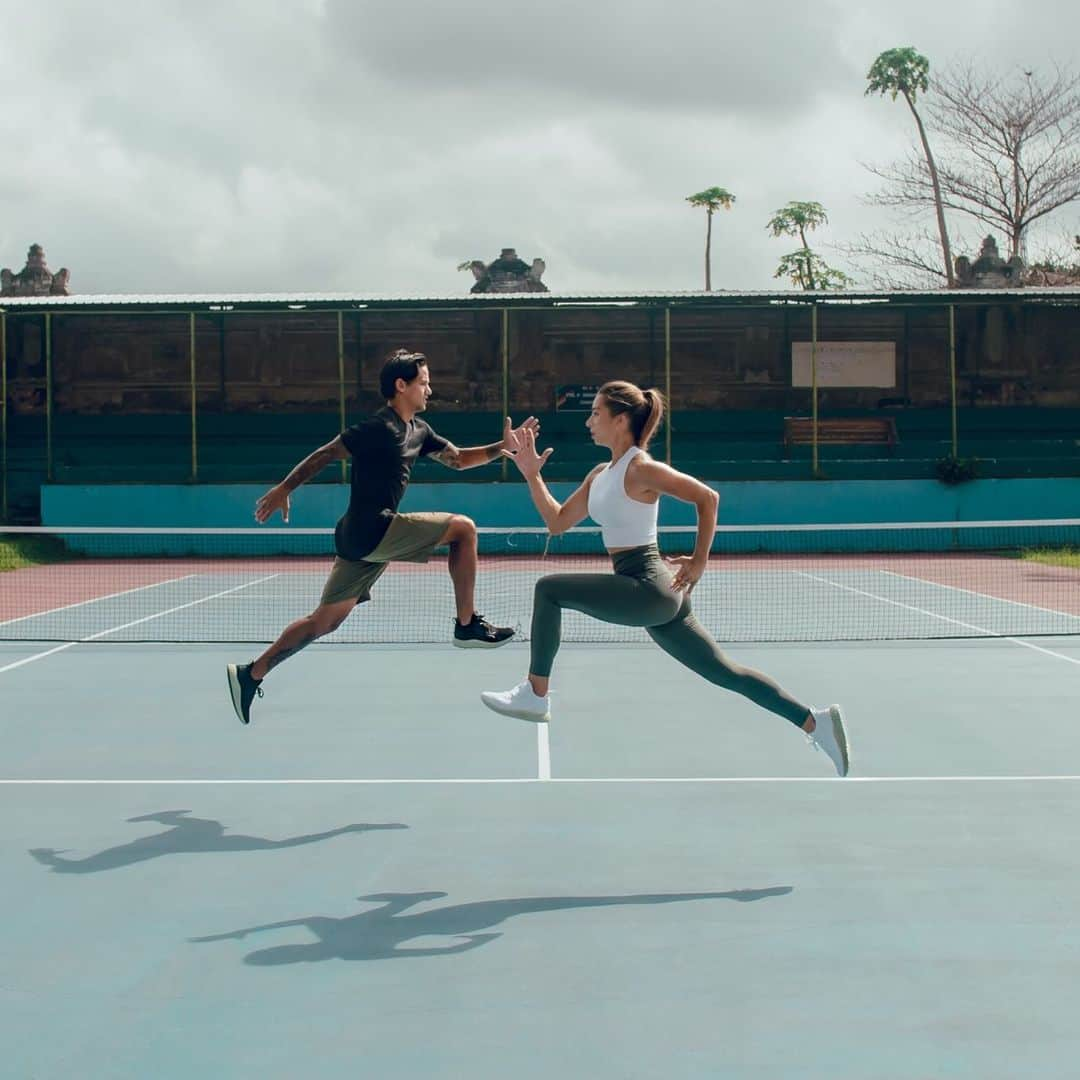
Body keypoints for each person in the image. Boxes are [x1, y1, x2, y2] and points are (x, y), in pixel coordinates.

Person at [479, 381, 851, 777]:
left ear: (620, 420)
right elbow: (557, 523)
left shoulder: (642, 469)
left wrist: (700, 562)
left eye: (595, 414)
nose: (589, 422)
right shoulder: (601, 474)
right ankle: (815, 721)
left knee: (548, 589)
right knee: (727, 673)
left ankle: (536, 693)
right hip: (651, 591)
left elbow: (707, 499)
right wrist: (531, 474)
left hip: (649, 586)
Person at [227, 348, 536, 726]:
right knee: (464, 529)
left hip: (360, 539)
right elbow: (325, 453)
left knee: (324, 622)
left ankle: (251, 673)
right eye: (423, 383)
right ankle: (467, 623)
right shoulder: (378, 428)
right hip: (373, 528)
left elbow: (458, 459)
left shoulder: (419, 432)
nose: (430, 389)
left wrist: (502, 449)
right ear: (400, 385)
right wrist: (284, 488)